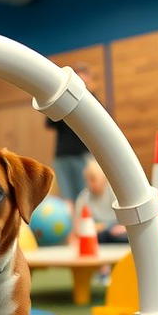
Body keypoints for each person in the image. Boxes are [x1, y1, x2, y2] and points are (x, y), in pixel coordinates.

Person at [44, 62, 95, 204]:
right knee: (68, 197)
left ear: (90, 81)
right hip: (63, 155)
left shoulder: (93, 102)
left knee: (85, 195)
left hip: (82, 155)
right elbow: (49, 123)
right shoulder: (61, 102)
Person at [74, 158, 128, 244]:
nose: (89, 183)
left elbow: (127, 218)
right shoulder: (83, 197)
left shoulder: (114, 193)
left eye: (93, 179)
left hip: (116, 230)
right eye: (87, 180)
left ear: (104, 179)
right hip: (97, 234)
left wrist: (123, 227)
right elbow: (78, 228)